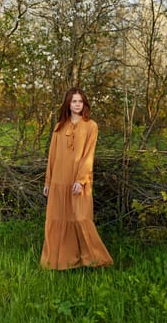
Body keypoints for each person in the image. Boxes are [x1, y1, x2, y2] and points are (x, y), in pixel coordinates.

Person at [40, 87, 113, 270]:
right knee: (57, 217)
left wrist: (81, 180)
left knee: (81, 218)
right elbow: (52, 156)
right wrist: (48, 182)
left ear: (84, 104)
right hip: (58, 179)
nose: (77, 104)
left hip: (79, 180)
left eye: (80, 101)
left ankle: (96, 260)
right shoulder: (59, 127)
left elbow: (89, 155)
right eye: (74, 101)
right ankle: (60, 262)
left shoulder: (91, 126)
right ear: (68, 104)